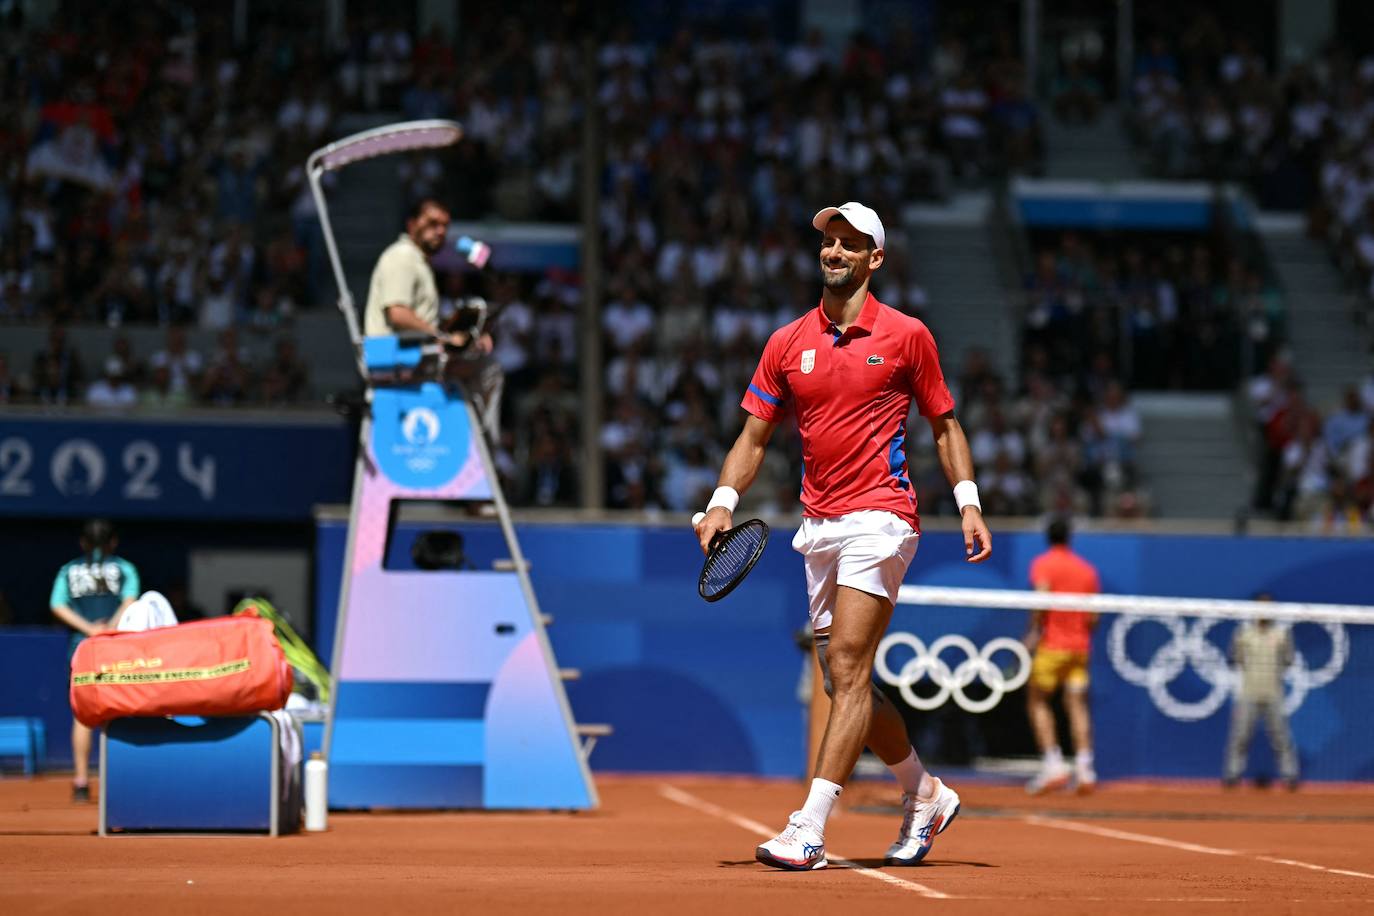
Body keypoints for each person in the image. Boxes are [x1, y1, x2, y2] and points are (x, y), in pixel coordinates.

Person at [694, 202, 991, 871]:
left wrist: (969, 503)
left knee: (850, 667)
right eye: (828, 241)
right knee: (839, 677)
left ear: (874, 259)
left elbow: (945, 425)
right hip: (819, 524)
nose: (833, 251)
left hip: (883, 518)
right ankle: (926, 793)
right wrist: (720, 503)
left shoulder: (909, 335)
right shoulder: (785, 342)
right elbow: (753, 435)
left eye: (849, 244)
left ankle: (809, 827)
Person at [364, 199, 499, 435]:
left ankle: (467, 438)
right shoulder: (402, 257)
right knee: (489, 370)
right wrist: (442, 337)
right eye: (432, 223)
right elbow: (398, 313)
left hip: (418, 354)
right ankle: (482, 443)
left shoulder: (419, 262)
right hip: (402, 358)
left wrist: (466, 333)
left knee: (477, 354)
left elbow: (422, 320)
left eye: (445, 225)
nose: (440, 231)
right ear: (411, 224)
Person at [49, 519, 140, 802]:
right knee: (121, 713)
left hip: (82, 650)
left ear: (83, 543)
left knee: (83, 715)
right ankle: (122, 782)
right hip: (116, 649)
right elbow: (130, 601)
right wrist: (108, 628)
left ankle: (80, 781)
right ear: (112, 542)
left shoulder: (68, 571)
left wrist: (88, 630)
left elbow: (57, 605)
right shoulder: (124, 568)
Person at [1024, 517, 1101, 795]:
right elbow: (1093, 617)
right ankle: (1085, 768)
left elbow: (1041, 601)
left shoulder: (1043, 564)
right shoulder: (1087, 570)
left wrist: (1033, 632)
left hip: (1052, 647)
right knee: (1077, 705)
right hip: (1080, 649)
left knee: (1037, 700)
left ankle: (1053, 764)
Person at [1223, 594, 1299, 789]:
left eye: (1268, 607)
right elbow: (1236, 659)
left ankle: (1290, 776)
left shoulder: (1282, 634)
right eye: (1260, 607)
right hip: (1248, 692)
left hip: (1274, 692)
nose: (1264, 611)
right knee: (1240, 735)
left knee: (1281, 736)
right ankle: (1232, 775)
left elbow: (1288, 660)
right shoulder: (1244, 633)